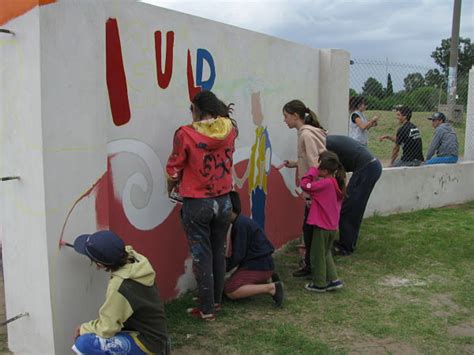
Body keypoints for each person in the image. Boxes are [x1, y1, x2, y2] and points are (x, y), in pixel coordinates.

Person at [166, 90, 238, 321]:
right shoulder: (230, 129)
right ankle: (215, 301)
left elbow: (174, 168)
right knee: (218, 252)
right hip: (224, 201)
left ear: (196, 109)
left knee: (202, 256)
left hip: (197, 203)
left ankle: (206, 309)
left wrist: (170, 186)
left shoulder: (185, 133)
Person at [71, 230, 169, 355]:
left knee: (83, 344)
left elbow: (107, 328)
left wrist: (83, 329)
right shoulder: (136, 260)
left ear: (100, 264)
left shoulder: (121, 286)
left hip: (147, 342)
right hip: (155, 334)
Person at [281, 99, 327, 278]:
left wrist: (311, 187)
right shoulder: (307, 133)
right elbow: (308, 159)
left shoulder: (305, 135)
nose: (284, 120)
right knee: (310, 229)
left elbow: (314, 163)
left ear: (295, 116)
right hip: (313, 190)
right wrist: (295, 164)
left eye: (286, 116)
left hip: (314, 191)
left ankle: (313, 267)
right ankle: (312, 265)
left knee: (310, 230)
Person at [224, 191, 284, 307]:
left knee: (231, 290)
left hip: (259, 265)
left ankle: (272, 288)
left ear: (229, 209)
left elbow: (238, 255)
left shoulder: (240, 225)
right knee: (230, 284)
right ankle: (268, 279)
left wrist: (223, 268)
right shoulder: (241, 221)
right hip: (263, 263)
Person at [326, 135, 382, 255]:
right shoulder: (330, 141)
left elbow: (327, 169)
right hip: (372, 166)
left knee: (349, 208)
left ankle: (345, 247)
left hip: (367, 168)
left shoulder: (325, 145)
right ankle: (348, 243)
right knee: (354, 207)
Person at [300, 151, 345, 292]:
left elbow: (305, 185)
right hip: (332, 226)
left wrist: (311, 172)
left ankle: (319, 283)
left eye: (319, 167)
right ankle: (333, 279)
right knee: (325, 253)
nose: (317, 168)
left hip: (322, 226)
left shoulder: (325, 184)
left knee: (317, 254)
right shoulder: (335, 183)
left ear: (325, 171)